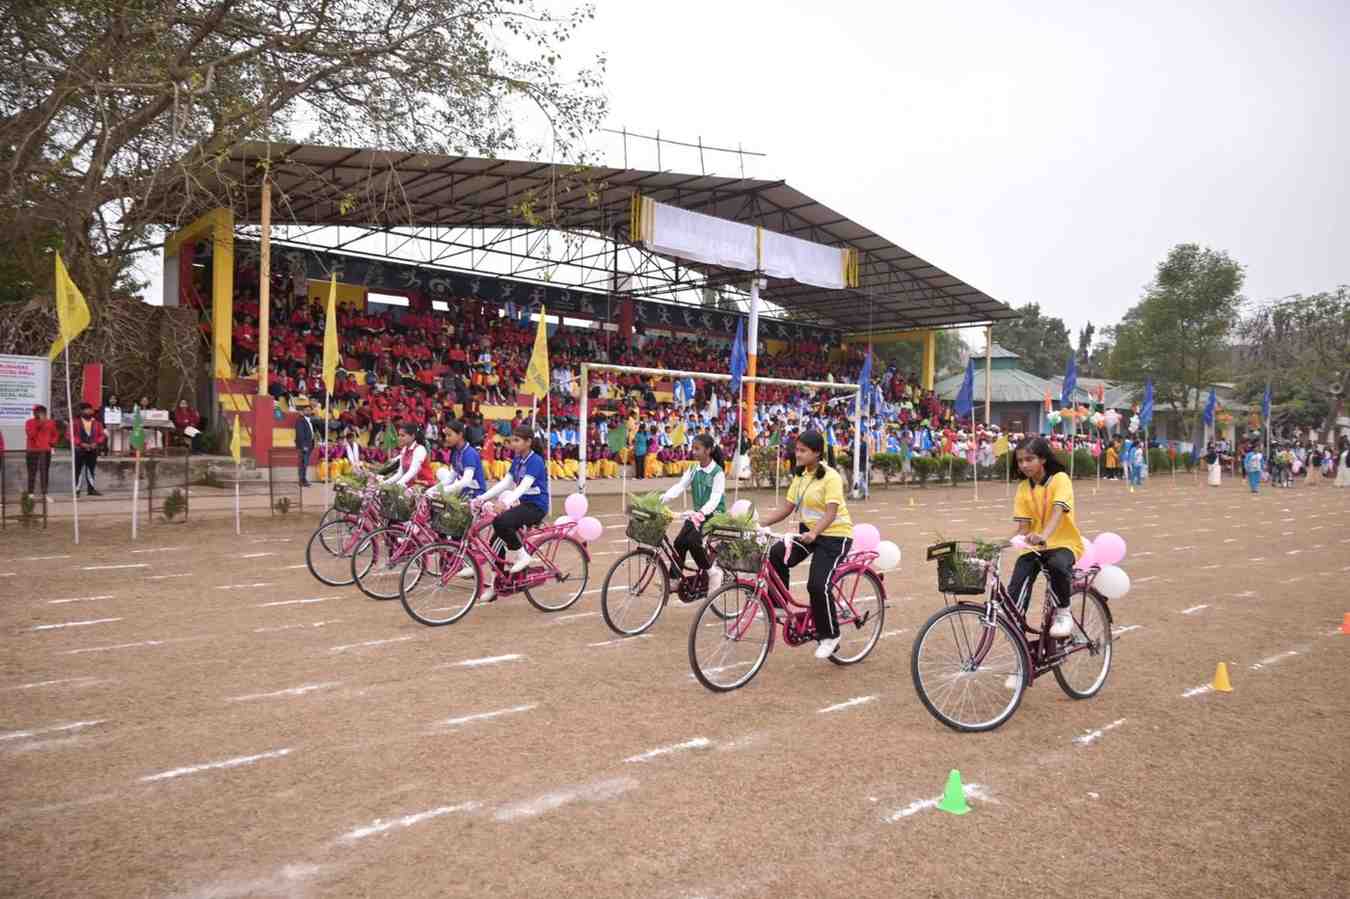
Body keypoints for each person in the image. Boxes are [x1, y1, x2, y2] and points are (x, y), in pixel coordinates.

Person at [757, 430, 856, 660]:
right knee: (775, 554)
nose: (797, 454)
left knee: (817, 585)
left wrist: (815, 532)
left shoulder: (830, 477)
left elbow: (831, 513)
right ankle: (778, 606)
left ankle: (830, 635)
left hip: (835, 536)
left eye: (803, 450)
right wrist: (759, 522)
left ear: (817, 452)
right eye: (797, 449)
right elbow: (787, 508)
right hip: (808, 533)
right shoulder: (801, 476)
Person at [1005, 436, 1084, 638]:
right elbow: (1023, 528)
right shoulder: (1023, 488)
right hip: (1036, 548)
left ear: (1043, 459)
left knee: (1057, 564)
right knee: (1019, 578)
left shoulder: (1060, 479)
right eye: (1020, 461)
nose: (1024, 465)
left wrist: (1043, 535)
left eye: (1029, 459)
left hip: (1064, 544)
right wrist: (995, 546)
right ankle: (1015, 623)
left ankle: (1063, 613)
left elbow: (1059, 511)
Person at [472, 426, 549, 601]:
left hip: (536, 507)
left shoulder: (535, 460)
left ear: (528, 442)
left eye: (517, 440)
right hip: (522, 504)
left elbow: (523, 486)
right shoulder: (518, 459)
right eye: (512, 440)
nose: (512, 444)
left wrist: (504, 503)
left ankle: (523, 556)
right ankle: (496, 585)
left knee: (502, 522)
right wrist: (482, 498)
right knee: (495, 542)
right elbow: (506, 483)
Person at [659, 432, 726, 597]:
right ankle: (674, 579)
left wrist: (702, 513)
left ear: (708, 450)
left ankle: (712, 573)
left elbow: (715, 498)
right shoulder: (694, 469)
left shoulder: (717, 472)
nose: (693, 452)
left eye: (697, 449)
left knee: (693, 541)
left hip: (714, 514)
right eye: (693, 448)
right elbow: (679, 486)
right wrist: (662, 499)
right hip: (699, 515)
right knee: (679, 542)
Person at [438, 419, 486, 499]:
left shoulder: (469, 453)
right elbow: (450, 479)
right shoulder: (456, 453)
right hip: (463, 492)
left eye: (449, 435)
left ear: (460, 435)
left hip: (475, 494)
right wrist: (433, 489)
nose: (446, 438)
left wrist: (443, 491)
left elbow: (466, 481)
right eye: (445, 435)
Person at [382, 423, 436, 488]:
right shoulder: (404, 450)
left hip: (424, 484)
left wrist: (398, 484)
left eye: (403, 436)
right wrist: (384, 483)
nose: (399, 438)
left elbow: (413, 470)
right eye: (399, 435)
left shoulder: (420, 449)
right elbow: (400, 473)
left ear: (412, 436)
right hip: (411, 484)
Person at [70, 402, 105, 496]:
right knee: (78, 470)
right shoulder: (75, 422)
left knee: (91, 469)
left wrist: (96, 443)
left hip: (93, 449)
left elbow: (101, 435)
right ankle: (76, 490)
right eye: (86, 409)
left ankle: (91, 489)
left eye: (90, 409)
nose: (89, 411)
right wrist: (81, 443)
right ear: (82, 411)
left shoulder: (97, 423)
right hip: (79, 449)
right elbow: (70, 435)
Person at [24, 405, 59, 497]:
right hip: (32, 450)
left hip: (45, 451)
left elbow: (55, 434)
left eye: (40, 412)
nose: (37, 414)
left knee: (45, 472)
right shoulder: (29, 422)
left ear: (45, 413)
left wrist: (51, 443)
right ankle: (30, 493)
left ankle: (44, 493)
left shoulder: (51, 422)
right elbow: (31, 435)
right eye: (36, 412)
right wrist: (39, 424)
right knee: (32, 472)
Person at [294, 403, 316, 488]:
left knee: (305, 463)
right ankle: (302, 480)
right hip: (304, 446)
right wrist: (304, 446)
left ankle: (304, 479)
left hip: (310, 445)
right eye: (306, 410)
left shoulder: (309, 420)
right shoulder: (300, 420)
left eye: (310, 410)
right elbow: (300, 434)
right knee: (302, 463)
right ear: (303, 411)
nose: (308, 411)